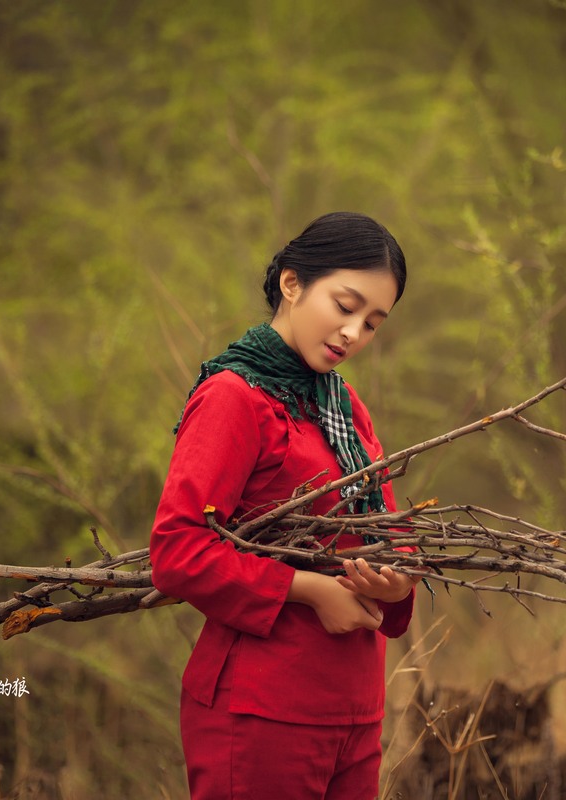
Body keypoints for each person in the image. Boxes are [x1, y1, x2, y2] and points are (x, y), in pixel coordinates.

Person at [149, 212, 417, 799]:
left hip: (356, 708)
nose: (353, 333)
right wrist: (311, 589)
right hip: (261, 709)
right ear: (292, 284)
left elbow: (392, 537)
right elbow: (178, 550)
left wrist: (397, 583)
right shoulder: (234, 399)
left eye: (372, 323)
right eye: (344, 306)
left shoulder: (344, 407)